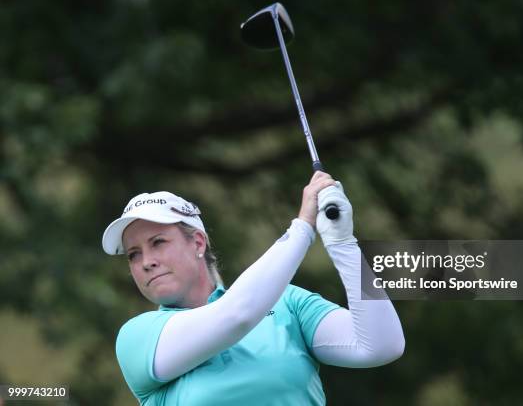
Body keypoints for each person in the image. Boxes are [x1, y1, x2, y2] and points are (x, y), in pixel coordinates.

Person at [102, 171, 404, 405]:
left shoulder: (287, 303)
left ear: (197, 242)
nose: (146, 262)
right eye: (134, 254)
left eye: (158, 243)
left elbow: (380, 345)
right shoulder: (138, 337)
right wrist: (302, 229)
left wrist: (343, 244)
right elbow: (236, 315)